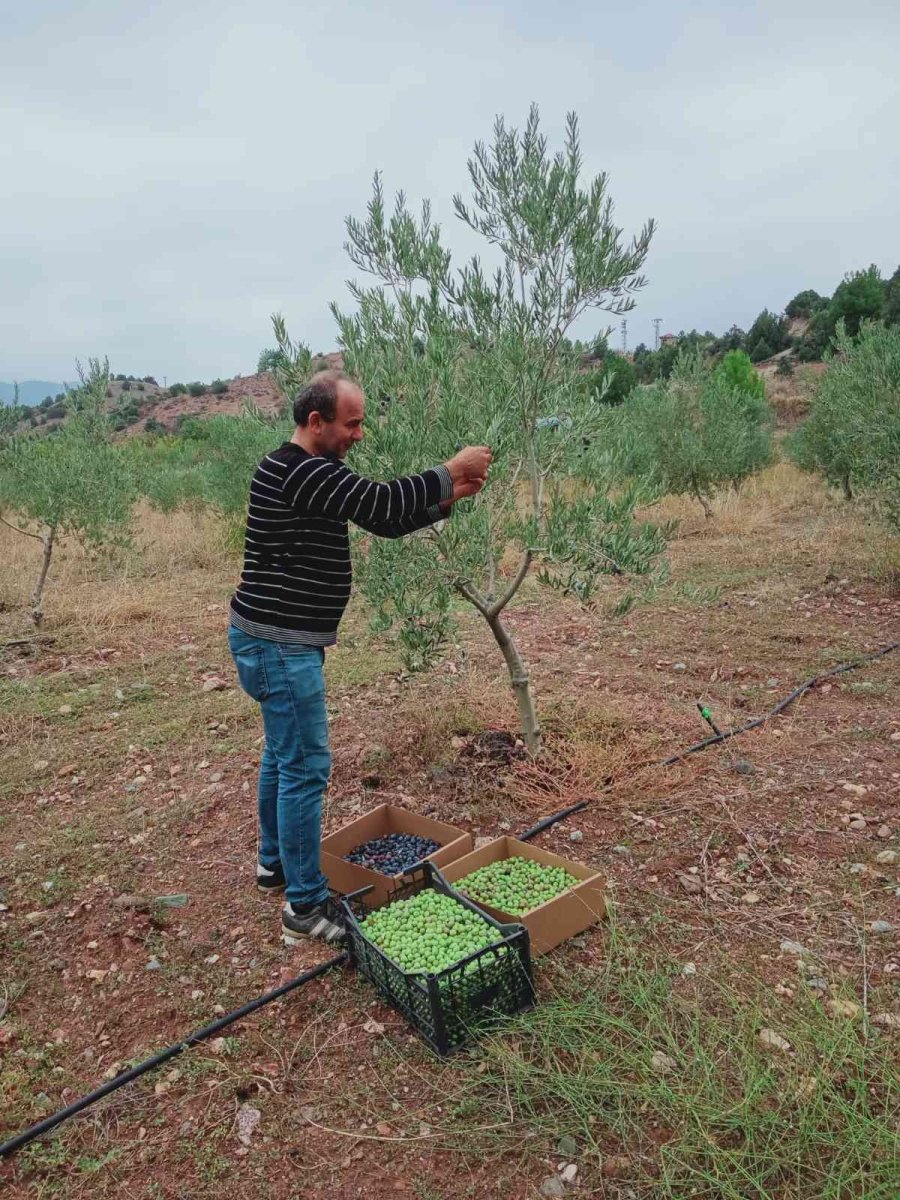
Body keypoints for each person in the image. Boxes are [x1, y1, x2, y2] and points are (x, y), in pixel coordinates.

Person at [228, 369, 491, 944]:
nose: (360, 434)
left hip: (272, 638)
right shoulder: (299, 471)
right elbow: (378, 498)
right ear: (316, 422)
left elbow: (381, 521)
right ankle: (304, 908)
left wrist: (447, 499)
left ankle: (274, 865)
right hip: (279, 643)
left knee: (282, 754)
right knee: (303, 767)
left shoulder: (311, 472)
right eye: (352, 423)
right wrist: (448, 469)